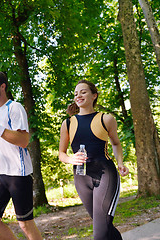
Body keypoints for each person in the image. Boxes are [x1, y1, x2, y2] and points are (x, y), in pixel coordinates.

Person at [0, 71, 43, 240]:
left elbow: (23, 140)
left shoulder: (15, 107)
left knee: (25, 224)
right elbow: (4, 141)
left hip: (18, 174)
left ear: (2, 86)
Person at [58, 80, 129, 240]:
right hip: (81, 178)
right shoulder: (68, 123)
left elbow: (116, 143)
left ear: (94, 95)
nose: (78, 96)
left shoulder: (106, 119)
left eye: (83, 92)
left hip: (105, 175)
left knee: (100, 233)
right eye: (76, 94)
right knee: (104, 227)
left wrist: (120, 163)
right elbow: (61, 153)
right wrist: (71, 159)